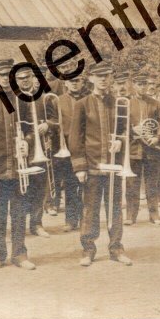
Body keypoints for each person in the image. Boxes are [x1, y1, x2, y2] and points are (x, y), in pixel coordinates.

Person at [70, 60, 133, 267]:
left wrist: (120, 141)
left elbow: (125, 132)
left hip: (114, 167)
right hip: (93, 166)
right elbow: (75, 138)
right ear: (91, 79)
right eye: (99, 76)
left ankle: (116, 248)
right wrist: (79, 167)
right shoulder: (82, 104)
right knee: (90, 209)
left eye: (107, 76)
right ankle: (88, 249)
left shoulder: (119, 102)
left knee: (115, 209)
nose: (104, 80)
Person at [0, 58, 39, 270]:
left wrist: (27, 142)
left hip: (20, 166)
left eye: (7, 74)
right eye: (1, 75)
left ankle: (20, 255)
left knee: (20, 213)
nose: (5, 78)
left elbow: (32, 131)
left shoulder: (24, 100)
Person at [16, 67, 52, 239]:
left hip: (40, 151)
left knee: (39, 187)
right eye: (20, 78)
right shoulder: (14, 100)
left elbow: (55, 119)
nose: (24, 80)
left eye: (27, 77)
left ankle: (37, 223)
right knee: (22, 190)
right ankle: (21, 224)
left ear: (32, 78)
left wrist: (49, 125)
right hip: (22, 150)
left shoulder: (42, 98)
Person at [126, 71, 160, 226]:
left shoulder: (156, 104)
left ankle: (154, 214)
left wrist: (158, 137)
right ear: (133, 84)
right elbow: (120, 125)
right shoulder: (126, 102)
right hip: (134, 149)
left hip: (151, 149)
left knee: (152, 184)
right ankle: (130, 214)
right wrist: (132, 130)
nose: (142, 87)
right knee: (131, 184)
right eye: (139, 83)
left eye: (145, 84)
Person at [50, 75, 86, 231]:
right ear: (65, 83)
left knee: (86, 186)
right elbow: (51, 120)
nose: (75, 83)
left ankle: (86, 219)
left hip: (86, 146)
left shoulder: (88, 99)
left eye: (77, 80)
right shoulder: (58, 100)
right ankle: (71, 220)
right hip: (66, 147)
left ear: (82, 82)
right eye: (71, 81)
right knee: (71, 185)